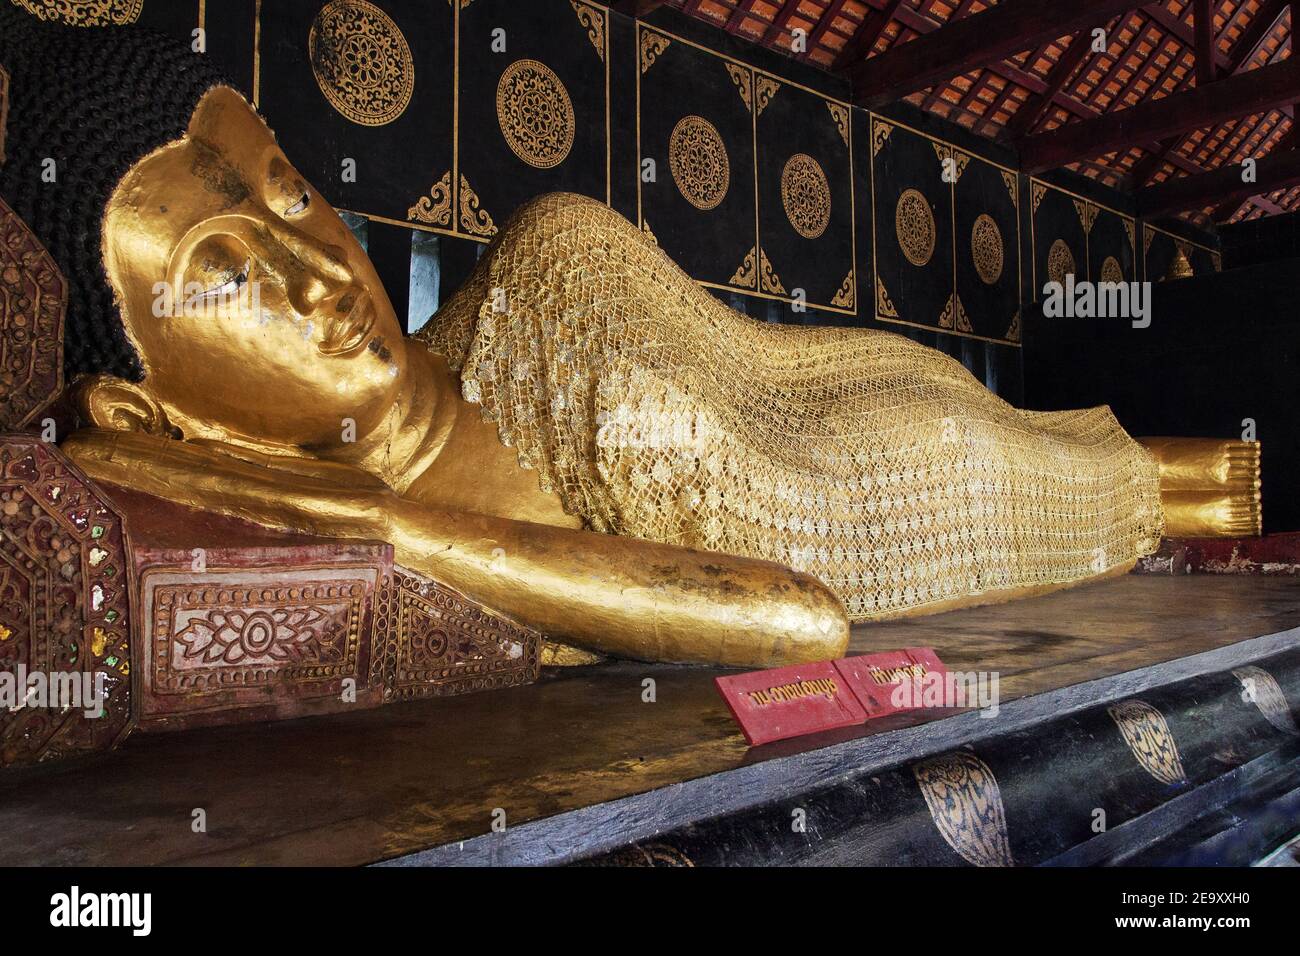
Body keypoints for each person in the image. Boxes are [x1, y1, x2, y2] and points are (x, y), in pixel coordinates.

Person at [1, 9, 1173, 668]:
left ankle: (1165, 476)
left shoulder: (547, 262)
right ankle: (1168, 480)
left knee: (1030, 448)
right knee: (1089, 478)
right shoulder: (405, 581)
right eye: (224, 272)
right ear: (157, 413)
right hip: (915, 527)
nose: (317, 272)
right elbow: (796, 619)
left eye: (292, 192)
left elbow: (771, 366)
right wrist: (348, 516)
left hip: (875, 412)